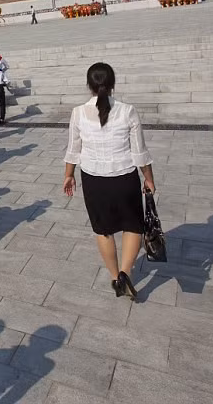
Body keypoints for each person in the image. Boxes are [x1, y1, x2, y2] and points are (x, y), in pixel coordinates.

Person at [63, 63, 154, 301]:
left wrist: (68, 174)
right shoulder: (127, 111)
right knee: (133, 226)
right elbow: (139, 152)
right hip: (124, 177)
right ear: (112, 84)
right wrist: (149, 178)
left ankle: (115, 278)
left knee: (103, 230)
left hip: (94, 179)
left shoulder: (79, 112)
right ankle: (125, 273)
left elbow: (73, 149)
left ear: (89, 85)